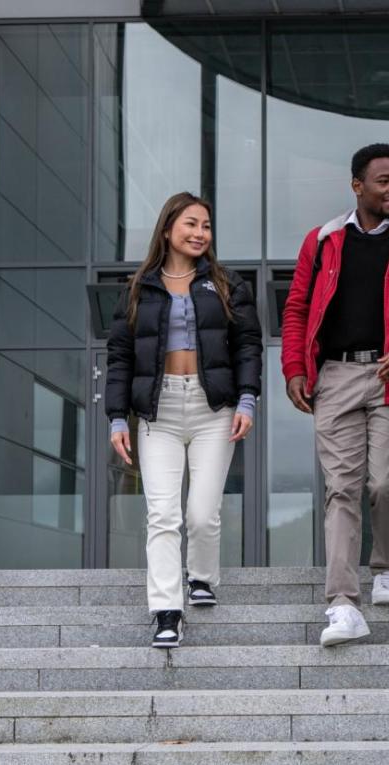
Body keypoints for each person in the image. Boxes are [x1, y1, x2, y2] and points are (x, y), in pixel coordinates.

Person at [281, 143, 389, 646]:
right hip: (334, 377)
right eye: (384, 181)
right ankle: (342, 603)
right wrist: (294, 366)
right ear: (358, 186)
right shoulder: (323, 241)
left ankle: (387, 565)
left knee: (384, 484)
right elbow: (296, 307)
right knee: (341, 490)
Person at [106, 191, 262, 648]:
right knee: (162, 514)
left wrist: (247, 400)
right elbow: (119, 357)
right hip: (160, 412)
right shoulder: (139, 288)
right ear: (169, 227)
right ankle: (166, 611)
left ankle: (202, 576)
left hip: (214, 408)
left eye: (206, 226)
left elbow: (248, 345)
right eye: (191, 224)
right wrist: (118, 418)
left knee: (201, 512)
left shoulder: (227, 284)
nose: (200, 233)